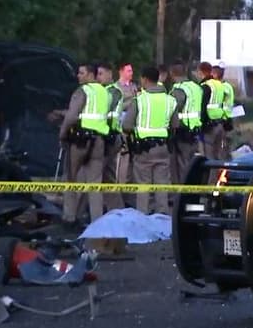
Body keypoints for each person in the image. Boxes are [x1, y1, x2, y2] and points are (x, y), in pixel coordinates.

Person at [121, 66, 176, 215]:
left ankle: (142, 218)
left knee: (143, 185)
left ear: (144, 79)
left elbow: (126, 125)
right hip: (163, 148)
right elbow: (175, 125)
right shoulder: (170, 100)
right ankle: (162, 217)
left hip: (143, 149)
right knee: (162, 185)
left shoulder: (139, 100)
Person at [59, 62, 109, 224]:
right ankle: (97, 221)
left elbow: (72, 116)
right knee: (95, 184)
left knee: (71, 179)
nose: (78, 76)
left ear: (90, 75)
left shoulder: (82, 91)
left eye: (81, 73)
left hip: (80, 141)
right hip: (99, 141)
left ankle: (69, 217)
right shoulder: (105, 93)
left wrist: (63, 134)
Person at [104, 62, 138, 210]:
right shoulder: (115, 89)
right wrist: (132, 101)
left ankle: (128, 194)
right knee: (119, 164)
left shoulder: (134, 87)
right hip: (120, 128)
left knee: (131, 163)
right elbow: (119, 105)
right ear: (121, 71)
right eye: (129, 71)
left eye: (132, 71)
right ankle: (119, 193)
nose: (131, 73)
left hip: (134, 128)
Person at [167, 62, 203, 184]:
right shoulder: (196, 87)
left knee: (181, 166)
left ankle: (182, 194)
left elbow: (172, 108)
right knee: (191, 163)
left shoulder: (179, 89)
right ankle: (192, 190)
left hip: (182, 131)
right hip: (195, 130)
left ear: (172, 74)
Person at [199, 61, 229, 161]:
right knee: (217, 155)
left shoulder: (206, 86)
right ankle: (217, 176)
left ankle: (209, 177)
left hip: (209, 126)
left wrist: (202, 125)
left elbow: (203, 107)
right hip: (219, 123)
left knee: (208, 156)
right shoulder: (220, 85)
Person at [210, 64, 235, 159]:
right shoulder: (226, 86)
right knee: (223, 148)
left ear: (215, 74)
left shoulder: (222, 87)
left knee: (222, 149)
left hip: (224, 120)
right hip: (226, 119)